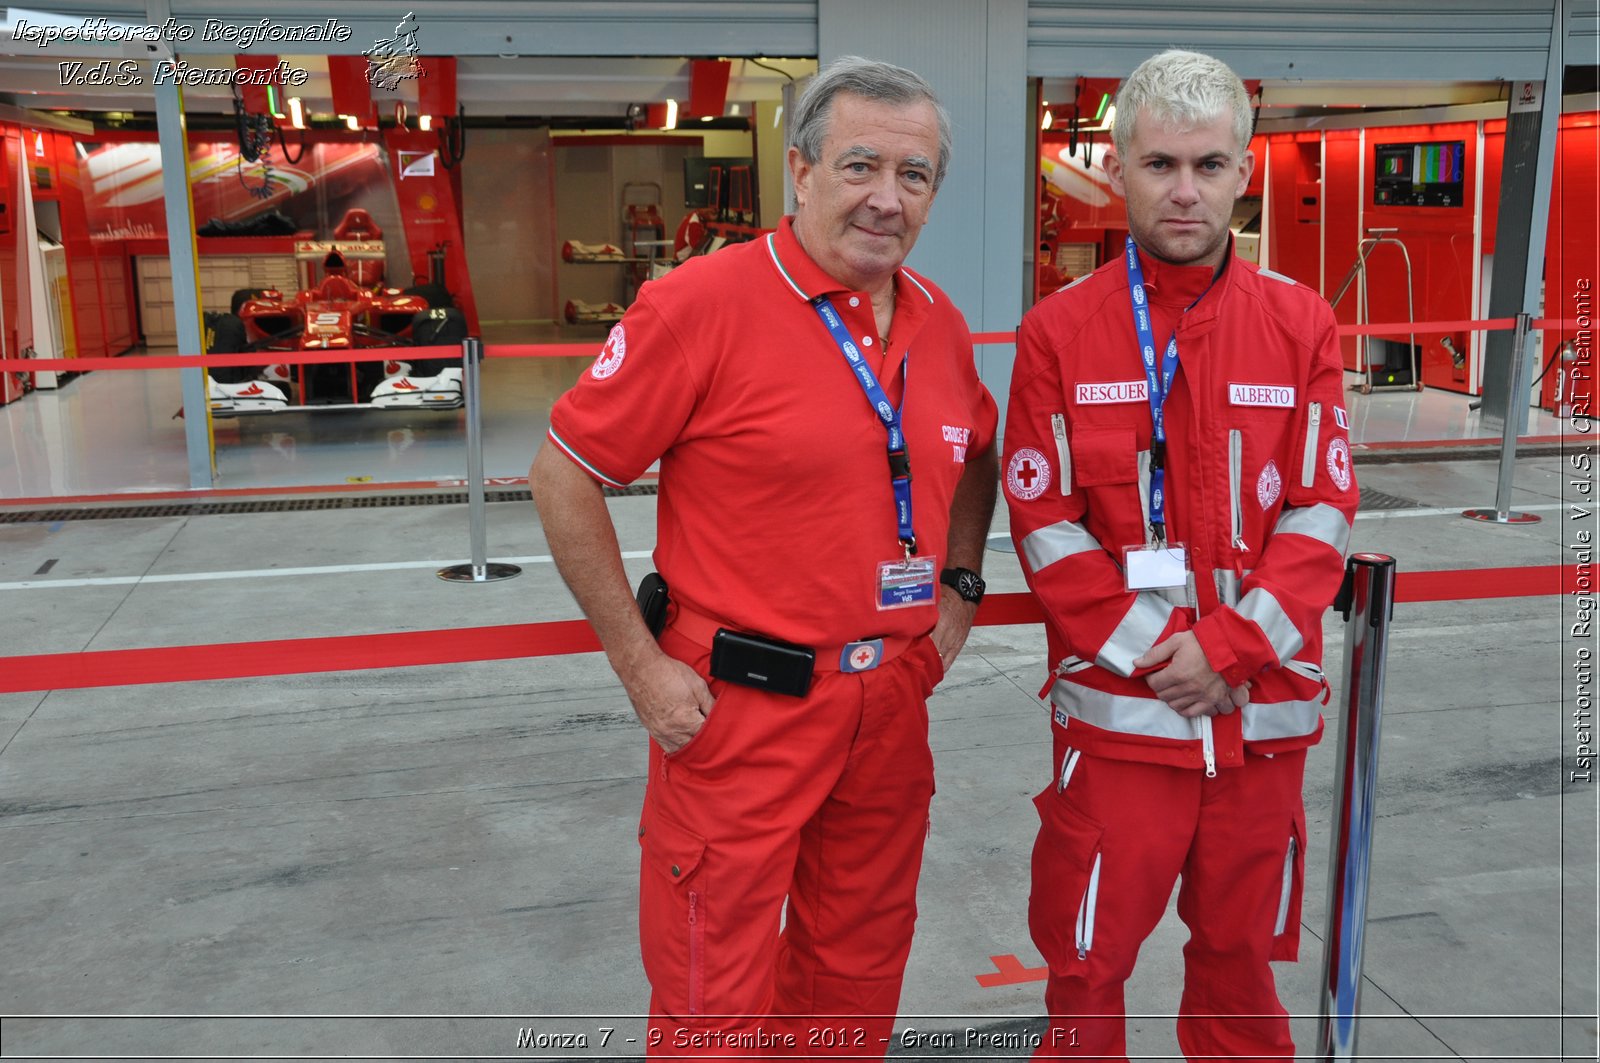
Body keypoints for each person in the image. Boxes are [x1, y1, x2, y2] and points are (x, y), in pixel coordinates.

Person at [529, 56, 998, 1058]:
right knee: (714, 1002)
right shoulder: (701, 305)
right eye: (860, 165)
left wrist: (958, 587)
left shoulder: (938, 323)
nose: (885, 198)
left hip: (885, 713)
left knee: (857, 980)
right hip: (739, 711)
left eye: (913, 177)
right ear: (800, 169)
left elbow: (975, 451)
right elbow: (562, 475)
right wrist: (639, 667)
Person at [1003, 49, 1359, 1059]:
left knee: (1241, 973)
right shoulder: (1059, 334)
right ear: (1116, 169)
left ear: (1246, 169)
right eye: (1159, 164)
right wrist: (1174, 654)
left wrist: (1233, 647)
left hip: (1260, 732)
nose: (1185, 191)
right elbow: (1047, 527)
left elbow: (1322, 506)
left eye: (1208, 165)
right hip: (1122, 736)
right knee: (1084, 972)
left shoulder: (1300, 325)